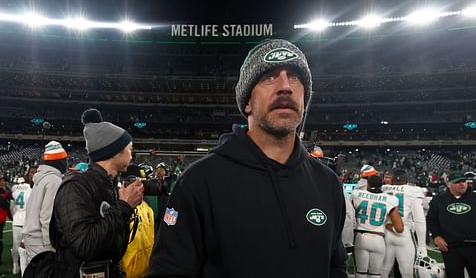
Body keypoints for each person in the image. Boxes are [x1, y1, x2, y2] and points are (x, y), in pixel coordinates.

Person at [147, 39, 347, 277]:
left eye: (295, 77)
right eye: (269, 77)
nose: (286, 87)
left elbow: (336, 268)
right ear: (247, 102)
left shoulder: (327, 183)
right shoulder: (199, 182)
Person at [50, 108, 144, 278]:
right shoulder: (75, 187)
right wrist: (124, 207)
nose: (132, 155)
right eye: (130, 149)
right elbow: (85, 245)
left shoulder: (108, 184)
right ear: (114, 151)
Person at [22, 141, 68, 267]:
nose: (67, 163)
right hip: (41, 241)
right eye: (65, 159)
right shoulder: (53, 181)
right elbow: (47, 217)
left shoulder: (42, 179)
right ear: (58, 161)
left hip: (33, 237)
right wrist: (50, 247)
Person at [350, 175, 404, 278]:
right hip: (378, 239)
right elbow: (399, 228)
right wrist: (388, 226)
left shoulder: (356, 194)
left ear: (368, 185)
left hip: (360, 237)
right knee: (375, 275)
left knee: (360, 273)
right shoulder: (390, 199)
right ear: (381, 185)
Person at [427, 171, 476, 277]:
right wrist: (437, 236)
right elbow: (432, 219)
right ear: (448, 184)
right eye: (457, 182)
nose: (462, 184)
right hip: (450, 248)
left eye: (463, 181)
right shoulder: (438, 200)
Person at [381, 169, 427, 278]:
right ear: (406, 180)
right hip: (404, 233)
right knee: (407, 272)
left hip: (386, 232)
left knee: (383, 270)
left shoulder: (384, 189)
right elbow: (419, 220)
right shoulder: (414, 191)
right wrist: (422, 245)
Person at [119, 164, 155, 278]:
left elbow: (151, 238)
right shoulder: (119, 208)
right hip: (127, 272)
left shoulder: (147, 208)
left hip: (146, 270)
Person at [10, 176, 32, 275]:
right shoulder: (30, 190)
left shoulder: (14, 191)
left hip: (17, 218)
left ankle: (15, 265)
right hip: (27, 220)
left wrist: (14, 216)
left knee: (16, 244)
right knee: (28, 245)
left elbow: (11, 208)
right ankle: (26, 266)